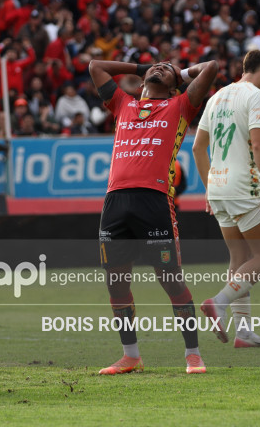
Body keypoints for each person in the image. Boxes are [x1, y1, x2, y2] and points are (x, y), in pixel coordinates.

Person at [88, 56, 218, 375]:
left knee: (170, 280)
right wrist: (140, 68)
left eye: (166, 68)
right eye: (155, 66)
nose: (160, 67)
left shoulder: (181, 106)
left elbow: (211, 67)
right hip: (116, 202)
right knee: (116, 284)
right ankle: (131, 356)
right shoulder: (122, 104)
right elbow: (95, 67)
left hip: (154, 202)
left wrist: (179, 73)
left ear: (176, 87)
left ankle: (193, 354)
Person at [192, 49, 260, 348]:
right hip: (245, 186)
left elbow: (197, 148)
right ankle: (218, 302)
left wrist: (208, 188)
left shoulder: (215, 98)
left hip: (218, 187)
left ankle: (243, 333)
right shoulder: (257, 96)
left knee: (239, 258)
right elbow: (259, 143)